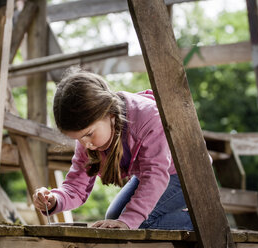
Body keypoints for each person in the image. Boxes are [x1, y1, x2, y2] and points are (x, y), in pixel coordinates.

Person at [33, 68, 194, 230]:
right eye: (78, 138)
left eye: (88, 134)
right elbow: (76, 186)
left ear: (109, 114)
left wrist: (129, 221)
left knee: (139, 222)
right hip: (150, 175)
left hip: (187, 174)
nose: (85, 144)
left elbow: (155, 176)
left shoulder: (149, 117)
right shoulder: (88, 137)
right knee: (113, 218)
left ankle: (206, 221)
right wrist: (54, 199)